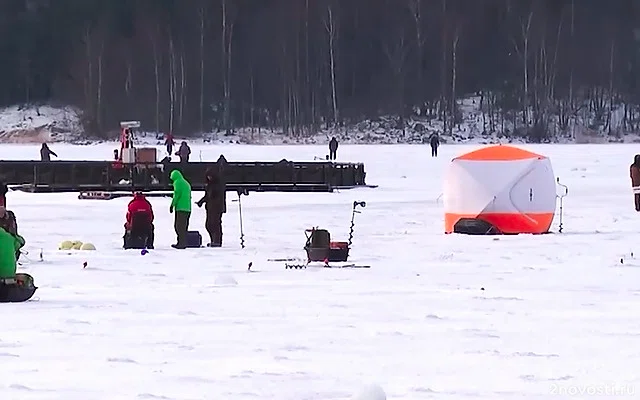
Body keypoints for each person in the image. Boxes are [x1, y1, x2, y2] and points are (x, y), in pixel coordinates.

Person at [196, 169, 227, 247]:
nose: (209, 178)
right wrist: (201, 202)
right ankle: (213, 240)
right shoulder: (209, 185)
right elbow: (207, 196)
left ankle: (217, 241)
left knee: (215, 224)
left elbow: (218, 196)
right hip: (210, 208)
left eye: (210, 176)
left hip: (217, 208)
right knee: (209, 225)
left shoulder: (218, 184)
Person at [169, 170, 192, 249]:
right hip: (188, 208)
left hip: (180, 208)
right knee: (184, 226)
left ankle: (181, 243)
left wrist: (172, 205)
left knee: (178, 226)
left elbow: (177, 194)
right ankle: (183, 242)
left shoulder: (177, 182)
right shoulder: (186, 183)